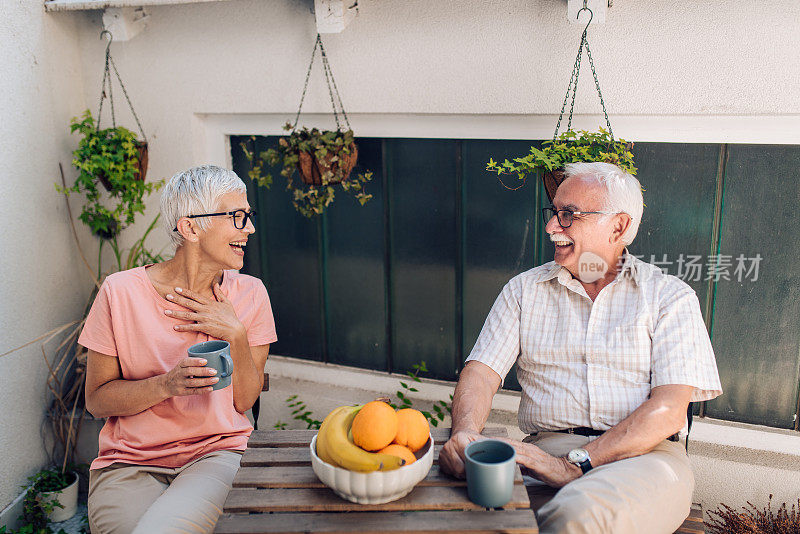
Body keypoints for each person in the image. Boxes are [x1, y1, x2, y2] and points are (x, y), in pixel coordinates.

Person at [439, 162, 722, 534]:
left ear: (618, 226)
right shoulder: (524, 290)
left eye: (568, 215)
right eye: (554, 213)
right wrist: (464, 433)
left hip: (646, 458)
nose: (551, 227)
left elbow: (668, 411)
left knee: (579, 516)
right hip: (545, 453)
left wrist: (577, 464)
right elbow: (481, 371)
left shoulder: (669, 297)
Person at [80, 165, 277, 534]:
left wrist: (234, 332)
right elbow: (96, 400)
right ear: (191, 228)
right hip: (128, 462)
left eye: (248, 216)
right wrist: (165, 385)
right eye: (237, 217)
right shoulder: (119, 292)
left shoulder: (251, 294)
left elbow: (244, 401)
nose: (249, 228)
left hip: (216, 452)